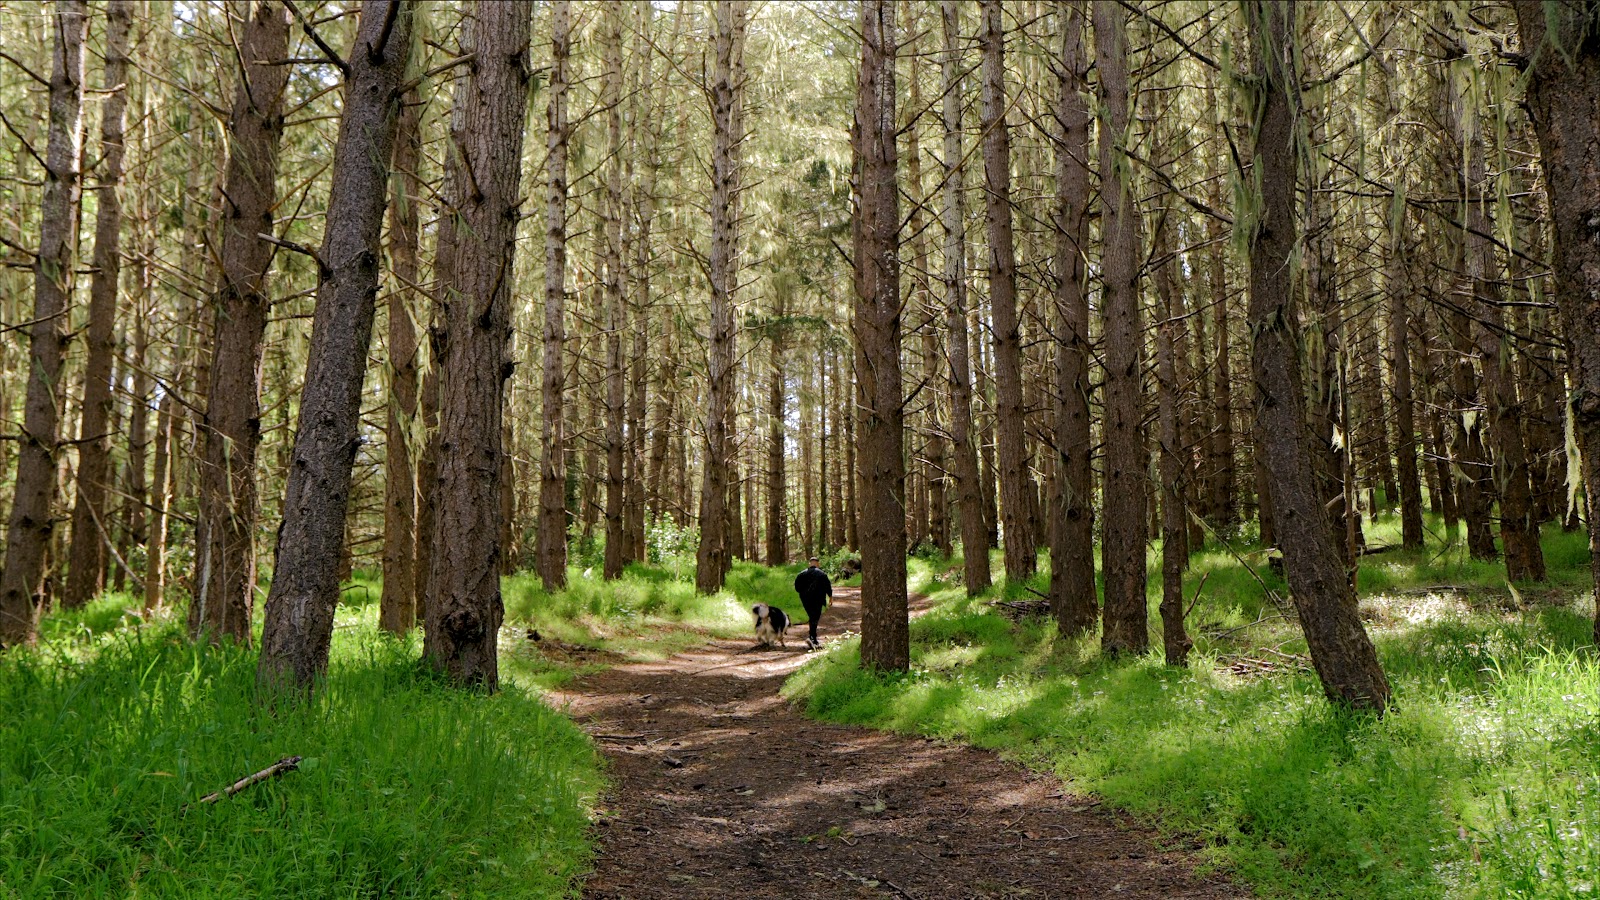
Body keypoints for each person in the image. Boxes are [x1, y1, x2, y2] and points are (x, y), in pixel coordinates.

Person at [793, 556, 833, 650]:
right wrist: (830, 597)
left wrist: (804, 593)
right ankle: (813, 638)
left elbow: (797, 588)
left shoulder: (801, 574)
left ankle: (812, 637)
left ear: (809, 563)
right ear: (818, 564)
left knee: (812, 616)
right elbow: (827, 586)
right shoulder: (822, 574)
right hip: (818, 599)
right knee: (815, 617)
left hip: (806, 599)